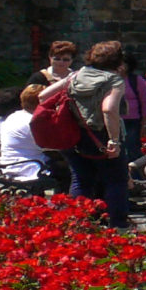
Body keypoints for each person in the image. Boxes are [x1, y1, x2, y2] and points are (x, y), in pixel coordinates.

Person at [57, 40, 130, 225]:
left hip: (77, 134)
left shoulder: (77, 75)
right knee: (116, 181)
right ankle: (118, 225)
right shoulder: (113, 80)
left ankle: (80, 223)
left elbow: (43, 96)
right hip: (102, 135)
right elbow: (108, 109)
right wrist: (114, 140)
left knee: (81, 180)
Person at [0, 85, 61, 192]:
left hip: (17, 163)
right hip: (27, 167)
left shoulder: (15, 116)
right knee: (72, 170)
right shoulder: (32, 121)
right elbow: (52, 145)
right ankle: (66, 203)